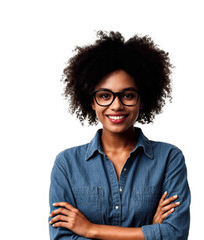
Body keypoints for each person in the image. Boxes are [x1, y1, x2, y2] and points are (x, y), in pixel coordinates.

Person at [48, 31, 190, 240]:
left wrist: (90, 230)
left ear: (142, 100)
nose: (116, 105)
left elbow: (175, 234)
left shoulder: (169, 158)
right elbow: (62, 238)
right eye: (105, 95)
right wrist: (149, 231)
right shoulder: (67, 164)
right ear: (92, 101)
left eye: (128, 95)